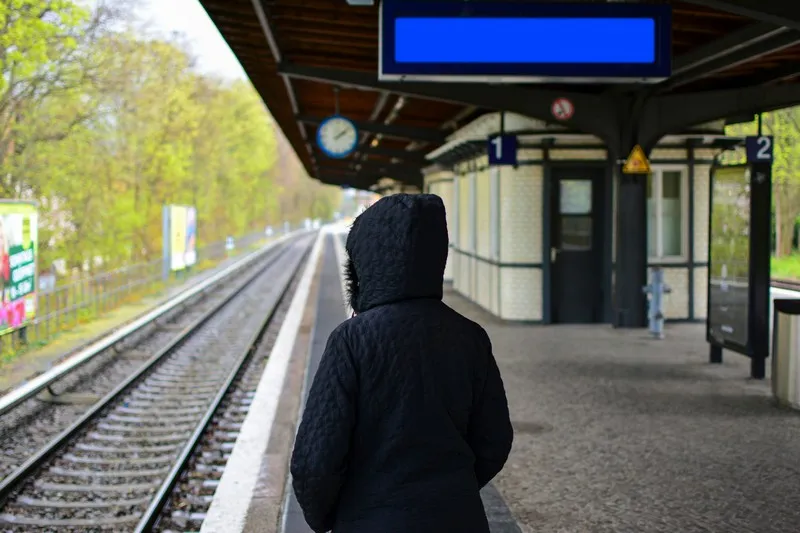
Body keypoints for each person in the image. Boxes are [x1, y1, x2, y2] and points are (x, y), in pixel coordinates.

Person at [290, 193, 514, 533]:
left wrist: (331, 518)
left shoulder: (351, 340)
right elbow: (494, 441)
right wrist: (452, 494)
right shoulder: (471, 336)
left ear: (364, 262)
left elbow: (315, 461)